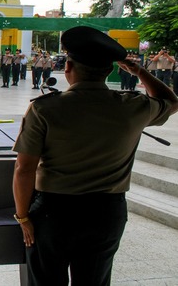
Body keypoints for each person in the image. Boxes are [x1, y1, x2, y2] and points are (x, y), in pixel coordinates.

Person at [12, 26, 178, 286]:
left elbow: (24, 169)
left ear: (68, 68)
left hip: (54, 213)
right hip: (106, 213)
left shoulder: (45, 108)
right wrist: (140, 71)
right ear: (110, 70)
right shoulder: (133, 106)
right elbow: (172, 101)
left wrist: (23, 217)